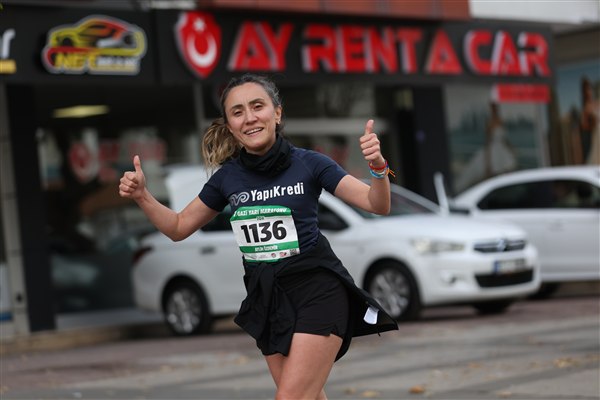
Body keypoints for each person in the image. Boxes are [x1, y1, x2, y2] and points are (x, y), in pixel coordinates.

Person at [119, 73, 398, 400]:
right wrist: (143, 196)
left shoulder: (310, 164)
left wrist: (377, 167)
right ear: (229, 125)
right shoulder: (227, 178)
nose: (249, 117)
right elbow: (178, 227)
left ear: (276, 113)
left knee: (290, 397)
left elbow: (376, 204)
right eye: (237, 112)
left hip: (318, 290)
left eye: (257, 106)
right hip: (267, 297)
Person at [455, 102, 518, 192]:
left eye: (496, 107)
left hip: (502, 150)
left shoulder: (500, 121)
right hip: (493, 150)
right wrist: (488, 163)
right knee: (493, 174)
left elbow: (504, 139)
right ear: (491, 109)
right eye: (493, 108)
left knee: (508, 169)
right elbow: (487, 143)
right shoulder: (489, 123)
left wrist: (511, 149)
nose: (495, 110)